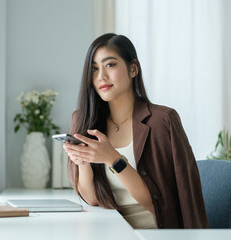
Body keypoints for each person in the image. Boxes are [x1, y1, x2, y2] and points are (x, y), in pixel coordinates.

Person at [63, 33, 209, 229]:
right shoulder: (84, 120)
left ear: (133, 69)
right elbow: (92, 199)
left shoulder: (162, 121)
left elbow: (158, 203)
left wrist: (113, 159)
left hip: (152, 232)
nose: (101, 77)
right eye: (94, 68)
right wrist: (82, 162)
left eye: (110, 65)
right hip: (107, 230)